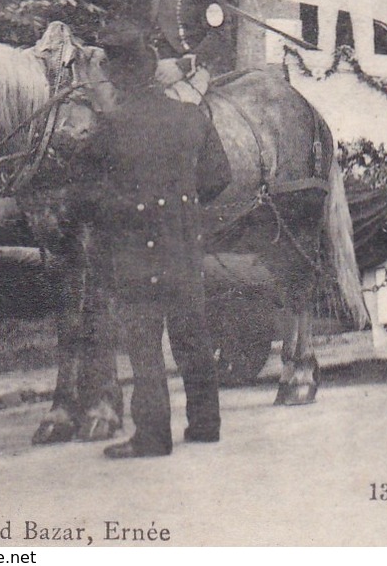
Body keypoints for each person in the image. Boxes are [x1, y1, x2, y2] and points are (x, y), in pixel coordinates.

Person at [87, 24, 230, 458]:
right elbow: (220, 179)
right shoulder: (191, 117)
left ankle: (152, 435)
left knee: (144, 342)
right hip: (184, 246)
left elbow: (90, 197)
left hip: (134, 253)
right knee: (192, 333)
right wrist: (183, 210)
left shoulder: (111, 128)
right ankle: (205, 424)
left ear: (118, 78)